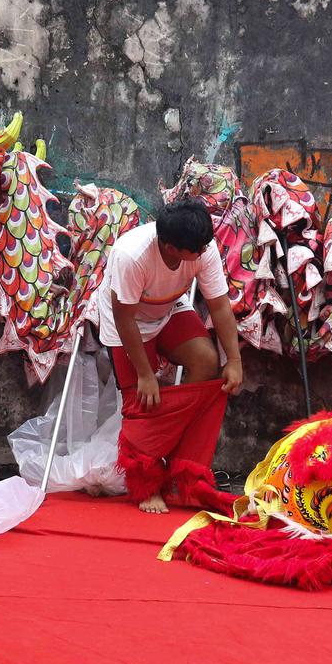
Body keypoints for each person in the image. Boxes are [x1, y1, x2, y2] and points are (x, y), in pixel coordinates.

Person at [95, 198, 243, 514]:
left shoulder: (202, 246)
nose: (204, 252)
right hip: (127, 320)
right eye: (197, 250)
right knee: (143, 400)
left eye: (206, 246)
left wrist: (234, 360)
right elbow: (124, 318)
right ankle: (148, 483)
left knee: (206, 361)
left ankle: (180, 469)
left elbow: (218, 305)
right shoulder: (132, 256)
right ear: (171, 247)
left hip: (168, 308)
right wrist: (146, 374)